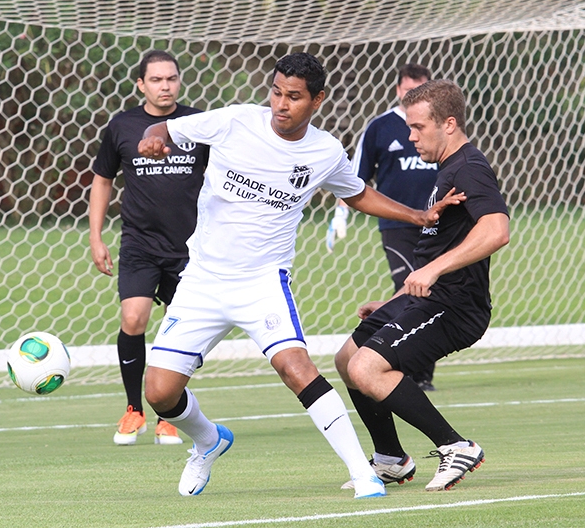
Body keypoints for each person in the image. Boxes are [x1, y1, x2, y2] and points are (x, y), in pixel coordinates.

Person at [136, 52, 457, 498]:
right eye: (276, 92)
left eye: (293, 96)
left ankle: (363, 473)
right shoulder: (234, 121)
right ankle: (208, 440)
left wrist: (417, 215)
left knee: (295, 367)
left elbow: (358, 193)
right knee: (159, 393)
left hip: (263, 282)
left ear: (317, 100)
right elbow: (163, 128)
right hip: (203, 281)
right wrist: (152, 138)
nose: (281, 104)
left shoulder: (325, 151)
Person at [334, 79, 510, 493]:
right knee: (347, 358)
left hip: (456, 305)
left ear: (448, 124)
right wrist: (394, 300)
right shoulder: (446, 171)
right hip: (426, 298)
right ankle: (391, 459)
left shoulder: (468, 168)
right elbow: (435, 256)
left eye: (418, 127)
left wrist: (432, 271)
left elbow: (497, 231)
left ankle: (456, 446)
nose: (411, 136)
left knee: (366, 368)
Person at [88, 50, 209, 446]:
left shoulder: (197, 124)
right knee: (133, 318)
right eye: (156, 79)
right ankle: (133, 411)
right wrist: (96, 237)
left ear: (179, 80)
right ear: (141, 84)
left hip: (190, 248)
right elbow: (102, 179)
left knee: (182, 331)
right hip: (139, 243)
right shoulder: (122, 126)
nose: (165, 86)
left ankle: (168, 415)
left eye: (171, 78)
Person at [327, 63, 440, 391]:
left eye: (420, 90)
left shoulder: (438, 128)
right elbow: (355, 179)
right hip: (397, 225)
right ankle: (394, 363)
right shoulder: (380, 127)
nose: (412, 95)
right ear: (397, 90)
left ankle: (420, 371)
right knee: (409, 286)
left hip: (438, 224)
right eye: (408, 90)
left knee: (431, 290)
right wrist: (340, 216)